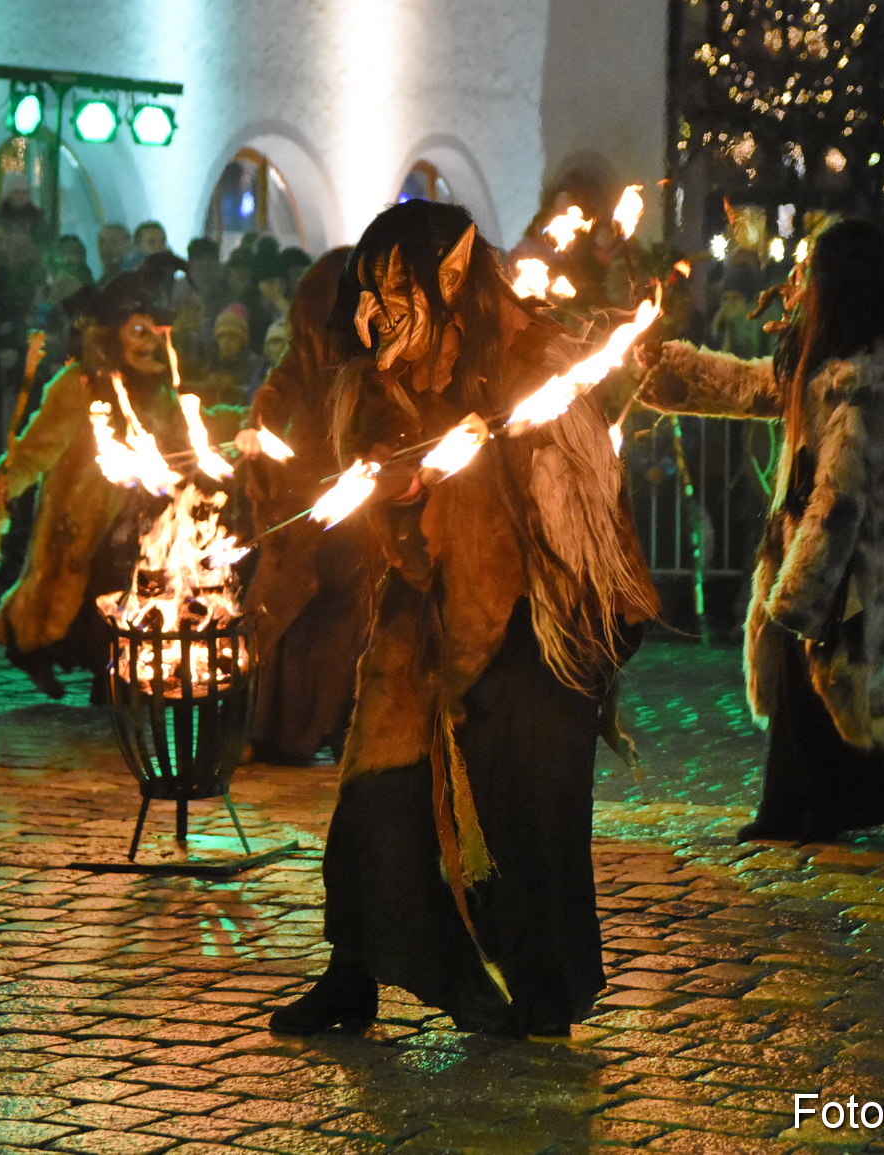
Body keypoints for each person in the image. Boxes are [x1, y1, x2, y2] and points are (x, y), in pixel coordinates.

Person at [268, 201, 658, 1039]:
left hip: (530, 627)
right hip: (420, 623)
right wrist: (397, 495)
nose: (379, 312)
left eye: (398, 288)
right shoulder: (384, 379)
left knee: (526, 818)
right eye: (371, 292)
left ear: (449, 278)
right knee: (379, 794)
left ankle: (536, 989)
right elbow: (376, 487)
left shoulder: (533, 361)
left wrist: (584, 624)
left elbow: (579, 513)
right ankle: (355, 967)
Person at [635, 219, 884, 853]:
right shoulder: (824, 358)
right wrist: (670, 371)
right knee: (803, 681)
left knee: (852, 677)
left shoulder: (864, 375)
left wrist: (806, 578)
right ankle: (794, 805)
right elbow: (753, 388)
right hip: (812, 544)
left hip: (849, 556)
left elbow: (843, 492)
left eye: (811, 272)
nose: (799, 285)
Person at [0, 275, 238, 700]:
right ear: (112, 336)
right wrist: (6, 482)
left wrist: (243, 424)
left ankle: (115, 680)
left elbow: (192, 434)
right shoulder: (75, 388)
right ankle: (39, 652)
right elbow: (34, 450)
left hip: (141, 521)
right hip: (84, 519)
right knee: (68, 603)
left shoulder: (159, 391)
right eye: (138, 331)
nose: (149, 342)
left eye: (153, 333)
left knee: (128, 601)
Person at [234, 248, 376, 765]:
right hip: (308, 487)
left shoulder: (375, 351)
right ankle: (273, 729)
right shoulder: (308, 348)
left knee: (350, 619)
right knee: (284, 616)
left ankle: (334, 724)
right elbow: (279, 387)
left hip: (361, 490)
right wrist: (258, 426)